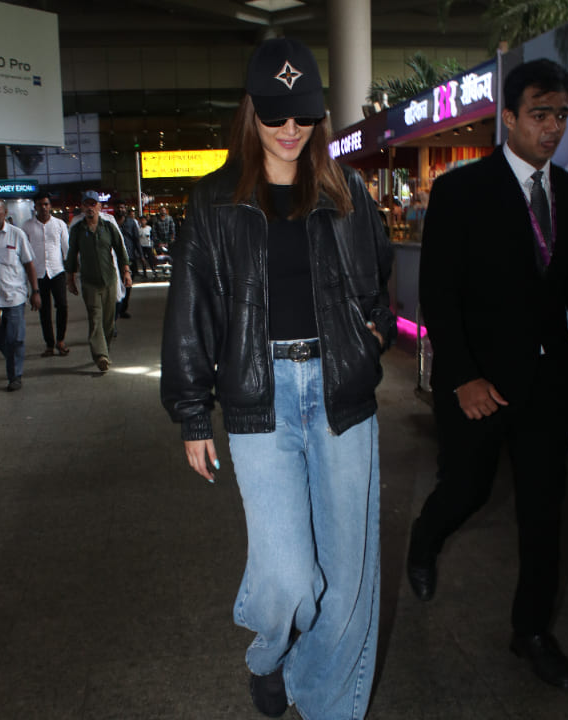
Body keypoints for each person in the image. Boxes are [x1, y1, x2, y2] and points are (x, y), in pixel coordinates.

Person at [161, 37, 395, 720]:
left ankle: (325, 706)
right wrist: (191, 413)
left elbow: (378, 283)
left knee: (348, 579)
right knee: (291, 578)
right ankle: (270, 655)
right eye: (275, 116)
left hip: (342, 398)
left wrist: (370, 338)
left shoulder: (347, 192)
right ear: (250, 113)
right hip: (259, 400)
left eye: (304, 116)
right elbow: (189, 311)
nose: (291, 131)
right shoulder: (213, 201)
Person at [407, 58, 568, 691]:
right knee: (466, 490)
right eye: (541, 115)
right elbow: (439, 294)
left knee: (544, 514)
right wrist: (463, 376)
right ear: (511, 117)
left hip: (546, 387)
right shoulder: (462, 191)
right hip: (478, 384)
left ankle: (530, 631)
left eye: (561, 117)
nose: (552, 129)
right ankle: (426, 536)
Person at [65, 190, 131, 372]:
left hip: (109, 279)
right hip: (89, 282)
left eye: (93, 204)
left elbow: (120, 249)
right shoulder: (77, 229)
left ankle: (105, 351)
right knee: (95, 318)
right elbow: (71, 254)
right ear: (82, 207)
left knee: (108, 321)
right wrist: (69, 277)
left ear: (100, 207)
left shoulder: (108, 226)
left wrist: (126, 272)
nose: (90, 208)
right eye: (86, 204)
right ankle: (100, 356)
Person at [0, 196, 38, 391]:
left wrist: (35, 291)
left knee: (14, 338)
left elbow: (29, 264)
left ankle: (15, 376)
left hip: (14, 297)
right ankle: (14, 356)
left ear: (5, 212)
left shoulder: (17, 235)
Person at [23, 194, 70, 357]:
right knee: (44, 311)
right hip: (39, 274)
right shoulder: (27, 227)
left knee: (62, 306)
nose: (43, 207)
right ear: (34, 207)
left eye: (46, 204)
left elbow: (66, 249)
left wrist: (70, 273)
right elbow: (24, 253)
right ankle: (49, 344)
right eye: (39, 204)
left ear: (50, 206)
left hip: (57, 272)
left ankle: (61, 340)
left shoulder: (59, 224)